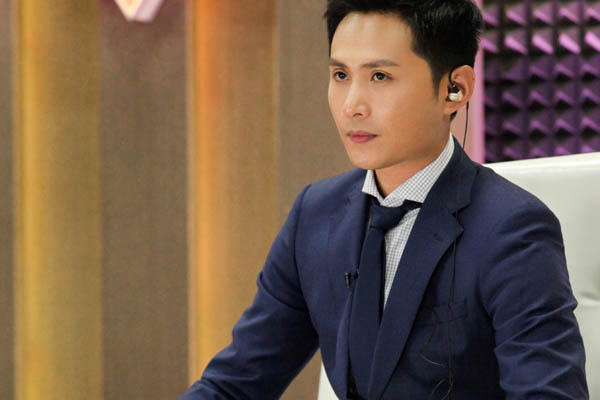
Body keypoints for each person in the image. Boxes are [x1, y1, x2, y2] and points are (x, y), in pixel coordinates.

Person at [178, 0, 588, 398]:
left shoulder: (513, 230)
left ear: (455, 89)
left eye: (379, 76)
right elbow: (233, 384)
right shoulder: (315, 214)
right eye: (341, 75)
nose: (352, 106)